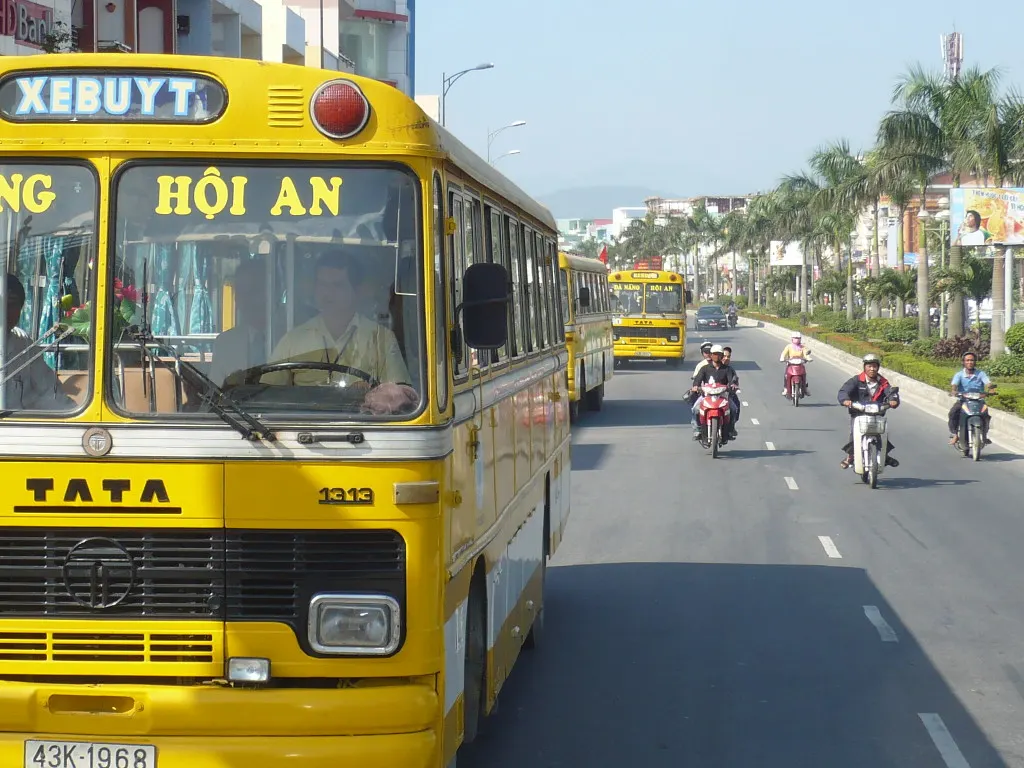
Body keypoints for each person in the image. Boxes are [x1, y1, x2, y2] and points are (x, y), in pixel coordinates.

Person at [261, 251, 417, 415]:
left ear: (356, 291)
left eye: (337, 285)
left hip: (365, 429)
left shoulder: (381, 338)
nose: (327, 293)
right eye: (322, 284)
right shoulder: (294, 339)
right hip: (305, 429)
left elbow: (402, 397)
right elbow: (267, 394)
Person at [3, 273, 76, 412]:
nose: (4, 311)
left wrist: (74, 415)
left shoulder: (22, 341)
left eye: (12, 304)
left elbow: (47, 391)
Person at [211, 258, 274, 388]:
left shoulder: (290, 337)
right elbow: (214, 395)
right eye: (241, 291)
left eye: (254, 290)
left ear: (271, 292)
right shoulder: (225, 343)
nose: (247, 299)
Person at [837, 352, 900, 470]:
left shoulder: (883, 382)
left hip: (877, 414)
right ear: (864, 367)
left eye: (874, 366)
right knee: (854, 435)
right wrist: (845, 400)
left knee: (883, 434)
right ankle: (850, 456)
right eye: (869, 366)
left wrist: (893, 400)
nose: (872, 369)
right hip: (859, 414)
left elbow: (891, 393)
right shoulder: (856, 380)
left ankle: (884, 455)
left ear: (878, 367)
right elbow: (843, 391)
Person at [691, 344, 740, 440]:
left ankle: (730, 429)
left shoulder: (727, 369)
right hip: (707, 396)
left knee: (733, 409)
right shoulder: (705, 368)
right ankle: (698, 429)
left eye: (719, 354)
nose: (717, 356)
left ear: (722, 356)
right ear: (711, 355)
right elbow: (697, 379)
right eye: (715, 354)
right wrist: (695, 387)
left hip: (723, 396)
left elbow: (731, 380)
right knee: (695, 409)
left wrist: (732, 385)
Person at [947, 351, 995, 447]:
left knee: (986, 415)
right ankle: (955, 434)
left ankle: (984, 435)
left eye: (972, 360)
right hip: (963, 400)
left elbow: (988, 383)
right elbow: (954, 384)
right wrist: (954, 391)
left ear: (975, 362)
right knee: (953, 413)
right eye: (967, 360)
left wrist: (991, 389)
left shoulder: (981, 374)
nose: (970, 362)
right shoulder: (959, 375)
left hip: (979, 400)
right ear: (964, 362)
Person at [779, 331, 812, 396]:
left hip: (800, 364)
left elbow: (806, 354)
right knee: (786, 375)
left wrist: (808, 358)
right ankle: (786, 388)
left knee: (804, 375)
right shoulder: (789, 346)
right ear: (792, 339)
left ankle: (805, 388)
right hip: (791, 364)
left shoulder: (803, 347)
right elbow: (784, 353)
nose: (797, 339)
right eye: (795, 338)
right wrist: (782, 358)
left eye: (798, 338)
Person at [722, 345, 741, 422]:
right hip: (710, 395)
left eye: (728, 356)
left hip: (726, 395)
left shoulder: (730, 369)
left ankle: (731, 427)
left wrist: (734, 385)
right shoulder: (710, 367)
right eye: (724, 356)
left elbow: (734, 380)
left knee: (735, 408)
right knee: (696, 409)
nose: (726, 358)